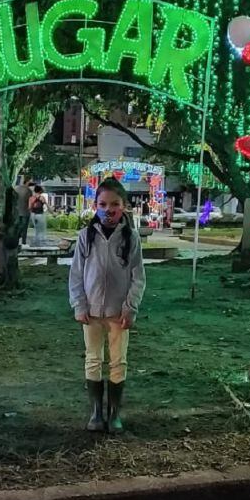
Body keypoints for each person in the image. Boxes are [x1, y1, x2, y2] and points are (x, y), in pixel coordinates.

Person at [69, 178, 146, 433]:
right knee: (93, 359)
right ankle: (96, 413)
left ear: (124, 206)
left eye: (114, 204)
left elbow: (138, 277)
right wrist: (79, 305)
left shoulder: (131, 238)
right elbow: (76, 275)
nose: (108, 210)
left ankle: (114, 414)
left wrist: (130, 307)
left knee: (118, 361)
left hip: (118, 314)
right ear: (95, 206)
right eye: (102, 204)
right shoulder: (86, 236)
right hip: (90, 313)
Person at [15, 179, 33, 245]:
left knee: (17, 227)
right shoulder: (29, 190)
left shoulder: (16, 189)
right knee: (24, 228)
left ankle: (16, 241)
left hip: (16, 211)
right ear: (27, 182)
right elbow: (30, 202)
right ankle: (23, 242)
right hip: (25, 212)